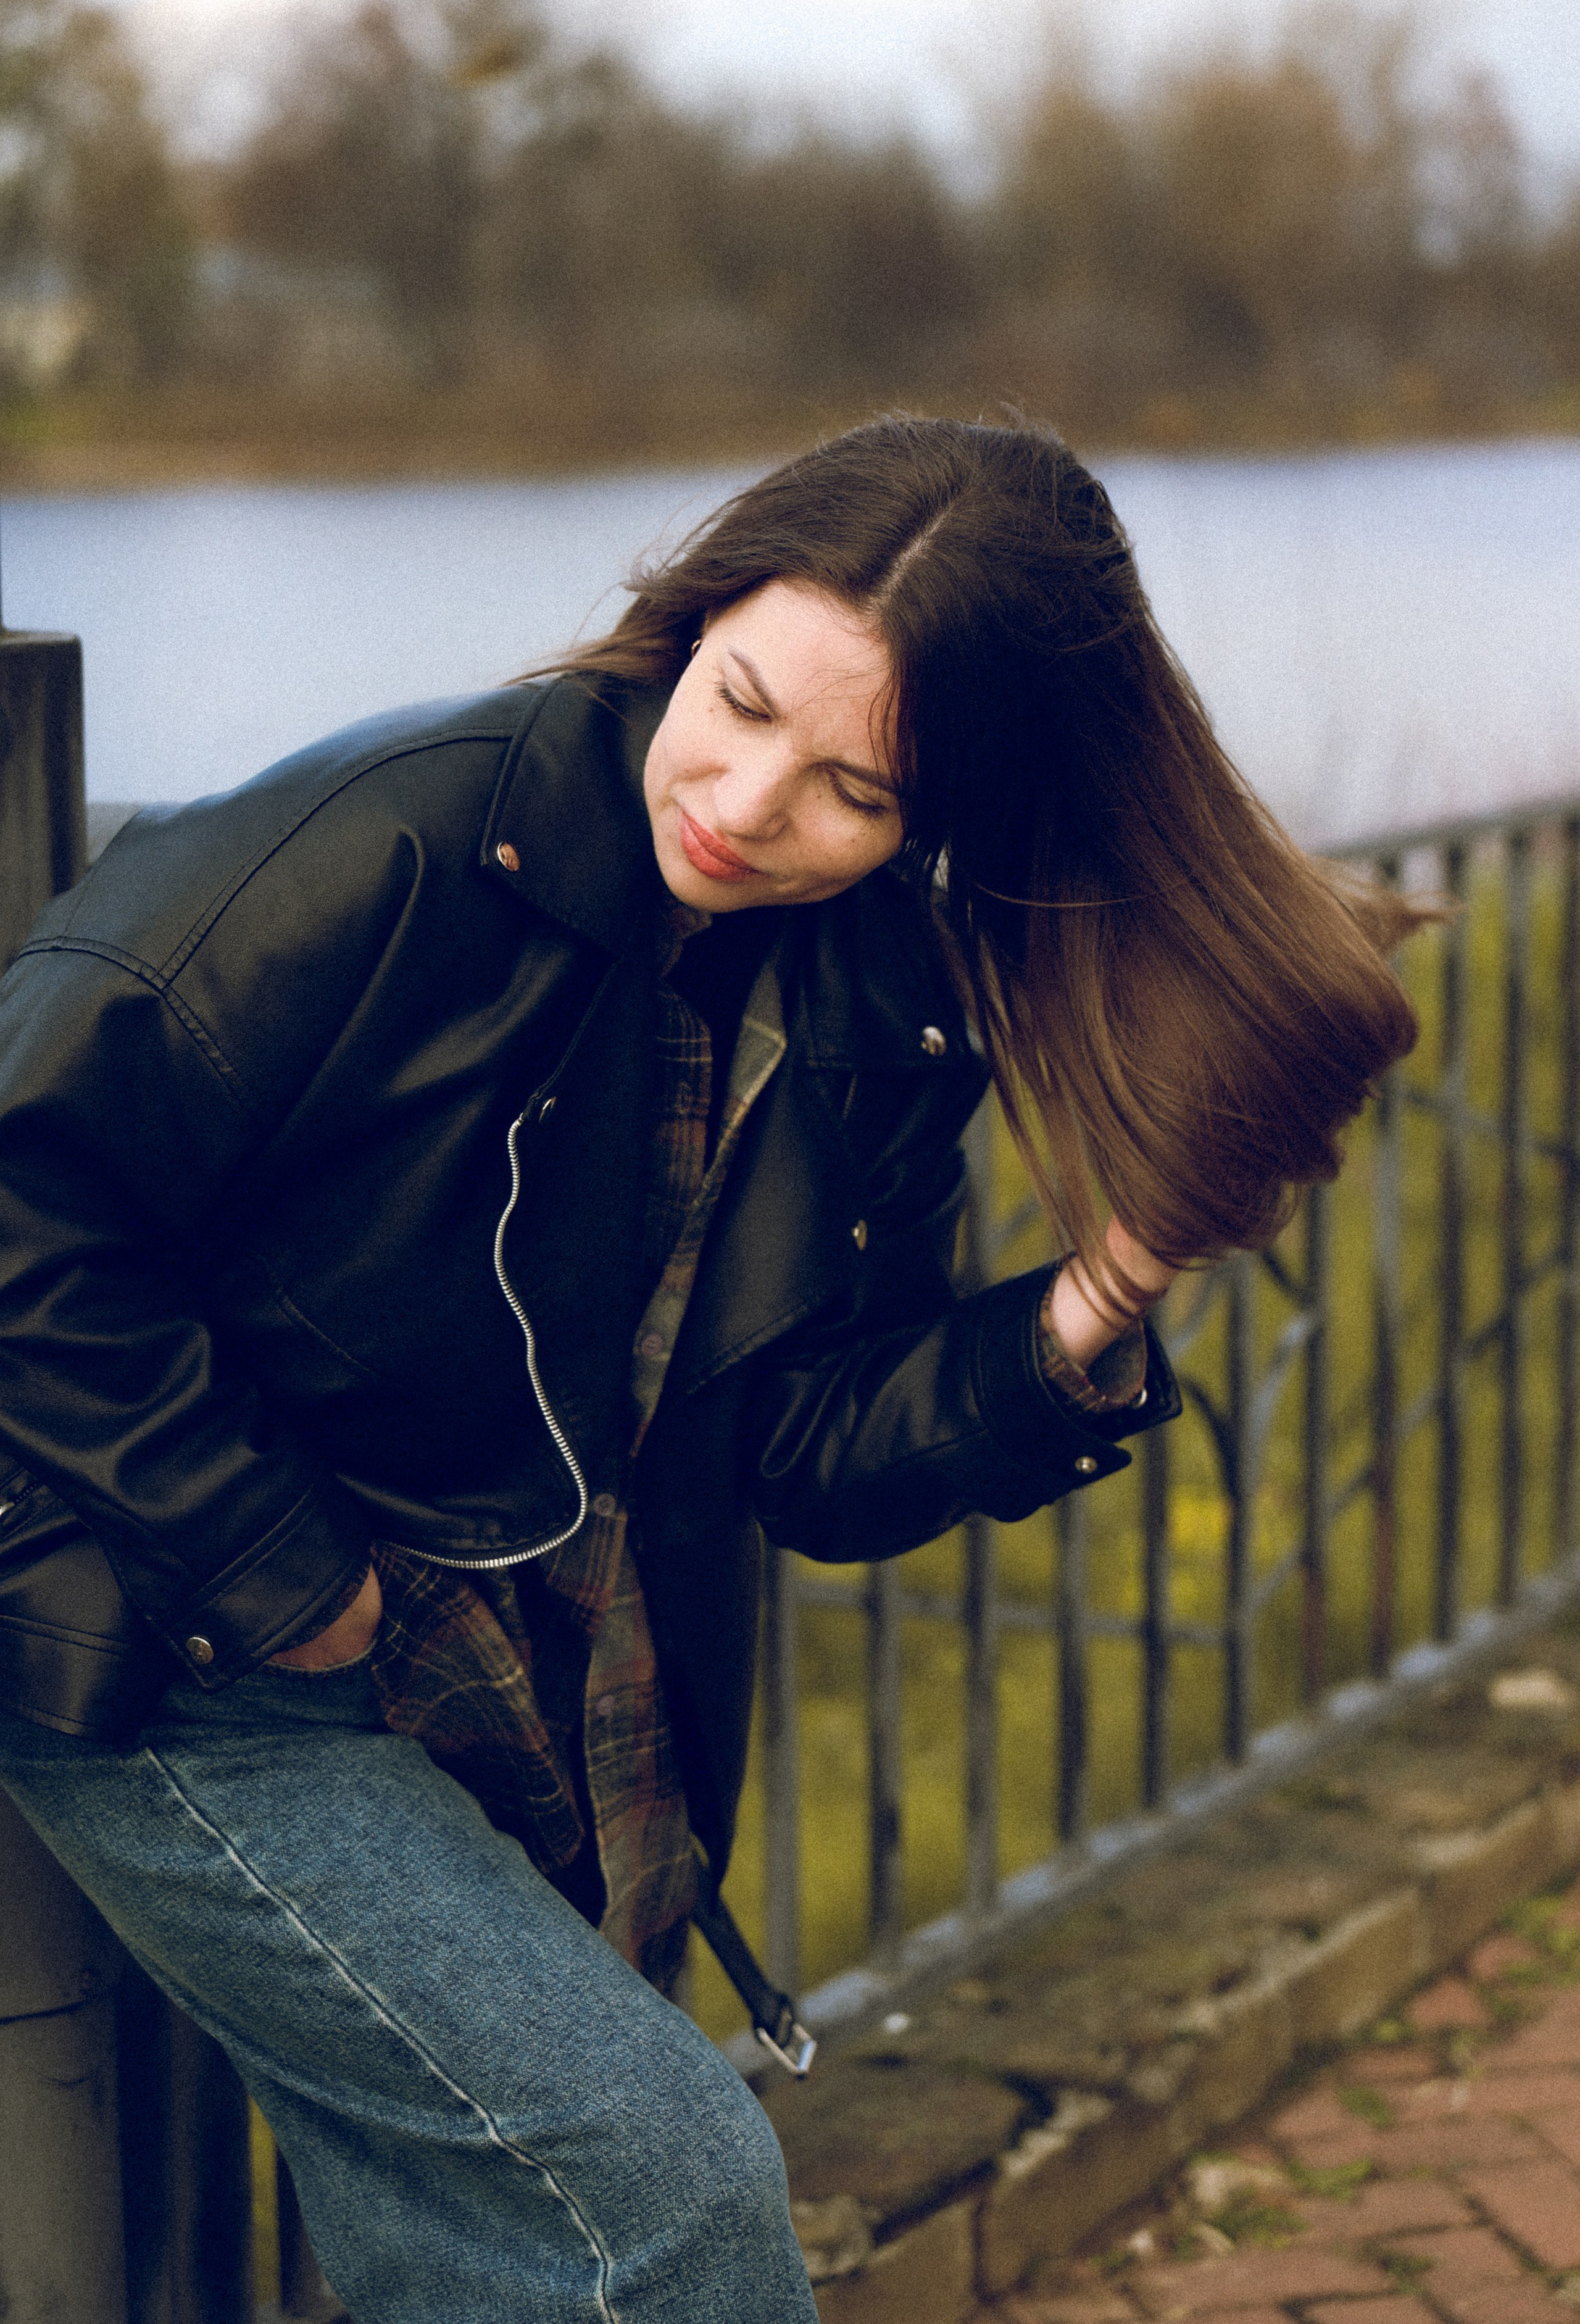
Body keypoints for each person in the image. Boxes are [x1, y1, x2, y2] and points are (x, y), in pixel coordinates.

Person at [0, 415, 1419, 2322]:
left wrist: (1103, 1292)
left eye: (853, 791)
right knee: (652, 2202)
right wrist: (277, 1570)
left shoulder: (877, 990)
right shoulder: (401, 837)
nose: (749, 807)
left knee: (493, 2249)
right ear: (695, 611)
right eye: (741, 701)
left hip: (545, 1671)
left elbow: (813, 1452)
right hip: (183, 1629)